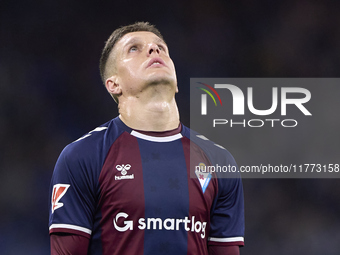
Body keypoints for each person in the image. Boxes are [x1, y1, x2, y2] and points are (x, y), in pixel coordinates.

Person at [49, 22, 244, 255]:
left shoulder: (219, 160)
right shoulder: (82, 156)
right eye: (134, 48)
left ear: (176, 81)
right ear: (113, 84)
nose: (154, 50)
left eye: (161, 47)